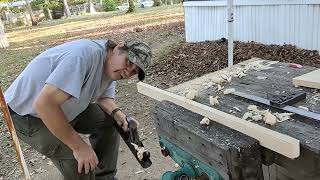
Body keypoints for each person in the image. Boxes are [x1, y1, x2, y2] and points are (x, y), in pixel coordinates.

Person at [4, 39, 152, 180]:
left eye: (133, 72)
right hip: (27, 114)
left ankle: (104, 177)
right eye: (129, 62)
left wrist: (118, 114)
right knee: (80, 162)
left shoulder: (110, 66)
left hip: (61, 107)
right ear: (118, 47)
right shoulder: (84, 56)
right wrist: (79, 147)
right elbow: (44, 105)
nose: (127, 72)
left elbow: (104, 98)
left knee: (110, 121)